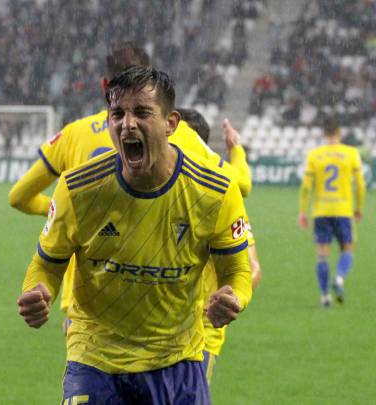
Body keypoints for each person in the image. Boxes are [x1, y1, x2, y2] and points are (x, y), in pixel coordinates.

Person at [17, 66, 253, 404]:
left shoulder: (215, 191)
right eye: (118, 113)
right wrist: (38, 291)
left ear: (171, 123)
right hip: (95, 358)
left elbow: (238, 272)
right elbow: (46, 265)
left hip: (176, 360)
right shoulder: (77, 189)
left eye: (141, 112)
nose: (127, 124)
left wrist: (235, 297)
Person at [181, 112, 263, 385]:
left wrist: (227, 300)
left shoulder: (220, 197)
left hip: (200, 336)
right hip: (150, 333)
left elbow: (252, 270)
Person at [298, 118, 366, 307]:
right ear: (340, 133)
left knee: (322, 255)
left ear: (324, 134)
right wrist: (359, 208)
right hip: (343, 210)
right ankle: (339, 278)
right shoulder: (351, 153)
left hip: (321, 211)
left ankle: (325, 296)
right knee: (348, 249)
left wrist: (303, 212)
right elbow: (360, 185)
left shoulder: (314, 155)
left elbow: (305, 187)